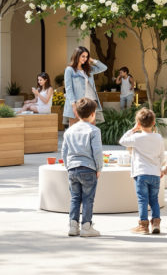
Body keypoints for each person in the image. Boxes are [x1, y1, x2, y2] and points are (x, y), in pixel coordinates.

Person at [61, 98, 103, 237]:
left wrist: (69, 167)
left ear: (77, 114)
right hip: (88, 168)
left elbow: (64, 152)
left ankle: (73, 226)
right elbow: (97, 152)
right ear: (92, 114)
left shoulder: (69, 131)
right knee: (88, 199)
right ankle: (86, 226)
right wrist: (99, 168)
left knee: (75, 198)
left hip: (72, 169)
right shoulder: (94, 130)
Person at [119, 107, 165, 235]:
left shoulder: (136, 137)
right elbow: (162, 156)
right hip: (155, 174)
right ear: (154, 122)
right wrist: (159, 168)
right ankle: (156, 223)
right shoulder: (158, 137)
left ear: (139, 123)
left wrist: (133, 129)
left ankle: (143, 226)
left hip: (141, 174)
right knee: (154, 199)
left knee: (142, 200)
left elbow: (122, 141)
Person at [63, 46, 107, 126]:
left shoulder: (88, 69)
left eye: (87, 56)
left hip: (91, 101)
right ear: (77, 55)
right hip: (78, 102)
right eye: (83, 56)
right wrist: (73, 105)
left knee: (91, 127)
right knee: (74, 128)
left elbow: (104, 68)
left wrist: (92, 60)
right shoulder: (69, 70)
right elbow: (68, 88)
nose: (85, 58)